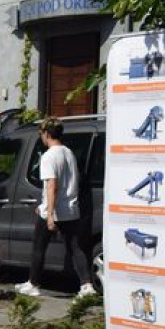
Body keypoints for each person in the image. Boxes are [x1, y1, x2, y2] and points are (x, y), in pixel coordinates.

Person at [15, 117, 95, 298]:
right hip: (71, 209)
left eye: (41, 134)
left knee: (38, 247)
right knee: (76, 248)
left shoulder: (49, 156)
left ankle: (33, 284)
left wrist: (49, 213)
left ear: (47, 134)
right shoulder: (68, 153)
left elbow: (52, 185)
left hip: (54, 211)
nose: (41, 137)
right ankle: (86, 286)